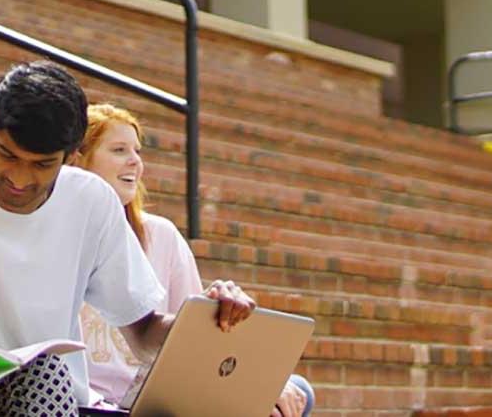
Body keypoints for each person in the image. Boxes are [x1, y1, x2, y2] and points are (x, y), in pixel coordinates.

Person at [0, 61, 259, 415]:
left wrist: (207, 317)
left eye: (41, 165)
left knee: (46, 373)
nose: (19, 180)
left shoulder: (89, 201)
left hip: (46, 401)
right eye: (8, 156)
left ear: (69, 157)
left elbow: (144, 333)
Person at [70, 104, 317, 417]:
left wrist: (263, 383)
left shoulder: (161, 235)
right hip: (93, 405)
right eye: (119, 150)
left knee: (297, 391)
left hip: (161, 398)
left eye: (138, 151)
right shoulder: (64, 235)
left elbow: (199, 340)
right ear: (77, 159)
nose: (135, 161)